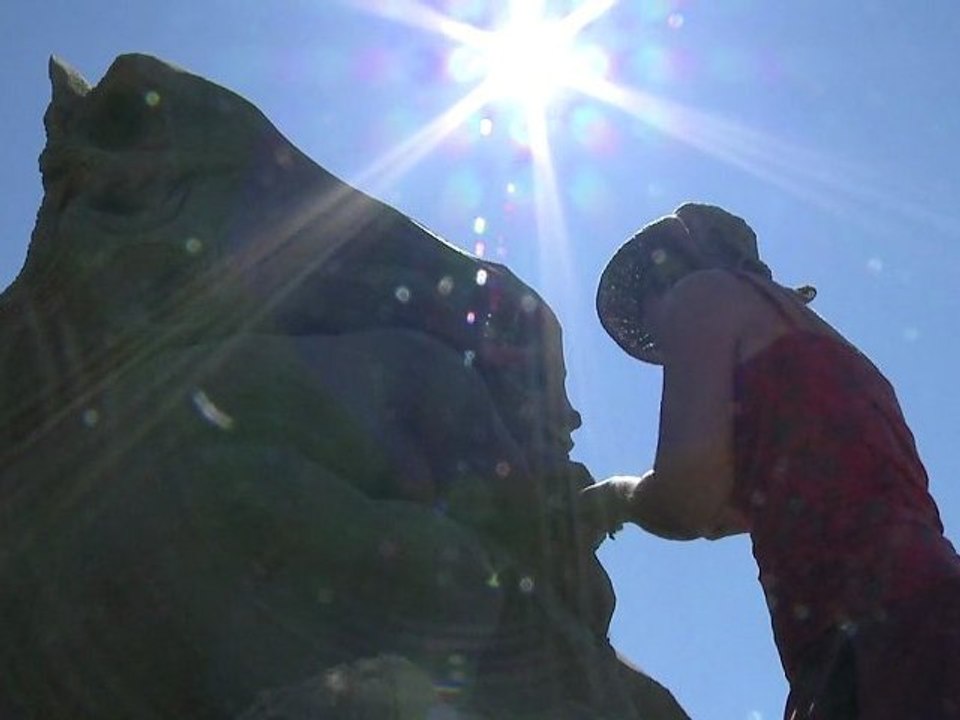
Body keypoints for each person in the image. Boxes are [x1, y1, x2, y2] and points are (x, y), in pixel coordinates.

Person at [579, 203, 960, 719]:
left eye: (657, 329)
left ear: (661, 285)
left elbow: (688, 499)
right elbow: (739, 511)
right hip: (924, 604)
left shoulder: (702, 297)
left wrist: (615, 498)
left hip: (878, 634)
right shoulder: (833, 351)